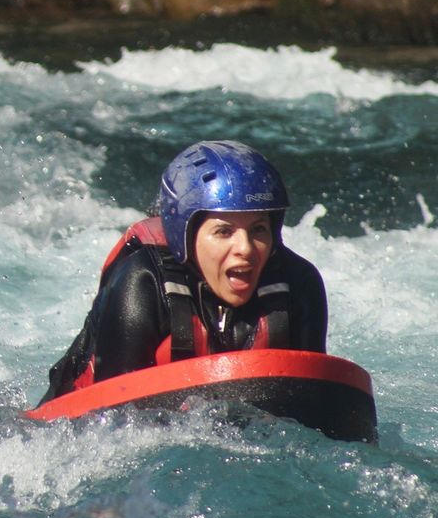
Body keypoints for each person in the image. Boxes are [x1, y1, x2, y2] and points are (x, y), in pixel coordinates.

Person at [40, 140, 328, 404]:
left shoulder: (299, 284)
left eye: (258, 230)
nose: (246, 248)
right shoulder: (143, 281)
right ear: (185, 236)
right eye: (224, 231)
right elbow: (114, 423)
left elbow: (315, 406)